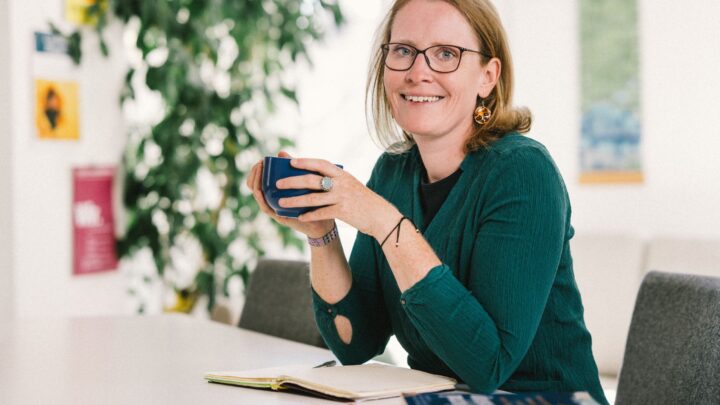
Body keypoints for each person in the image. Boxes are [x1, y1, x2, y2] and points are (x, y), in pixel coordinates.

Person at [246, 0, 608, 403]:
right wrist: (321, 234)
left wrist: (384, 222)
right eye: (403, 50)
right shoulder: (393, 172)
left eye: (446, 54)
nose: (418, 72)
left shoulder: (523, 171)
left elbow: (487, 366)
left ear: (487, 77)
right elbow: (356, 344)